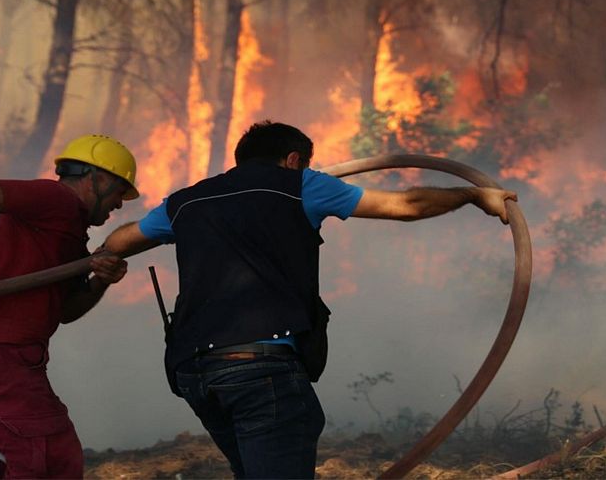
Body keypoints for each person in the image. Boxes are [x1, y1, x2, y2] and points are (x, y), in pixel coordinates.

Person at [103, 120, 517, 479]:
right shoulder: (301, 185)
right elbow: (407, 204)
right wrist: (473, 196)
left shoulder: (186, 200)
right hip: (259, 367)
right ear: (294, 159)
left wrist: (102, 263)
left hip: (196, 373)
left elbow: (121, 241)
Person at [0, 134, 139, 478]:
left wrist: (100, 279)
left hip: (20, 355)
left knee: (44, 455)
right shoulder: (55, 198)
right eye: (119, 191)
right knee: (47, 456)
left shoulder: (71, 232)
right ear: (97, 178)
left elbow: (66, 311)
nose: (119, 204)